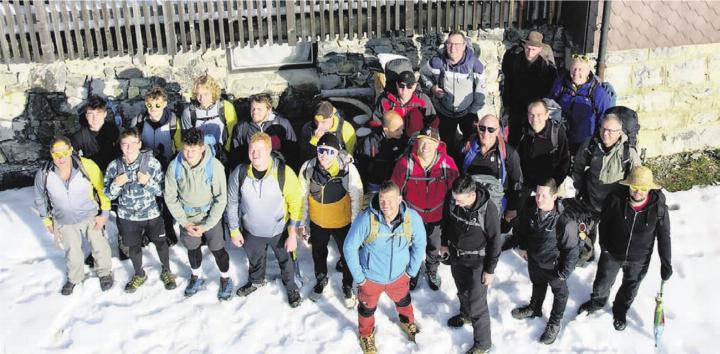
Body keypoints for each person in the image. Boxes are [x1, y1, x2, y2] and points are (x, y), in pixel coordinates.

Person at [577, 166, 672, 331]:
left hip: (639, 258)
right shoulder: (615, 199)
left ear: (649, 188)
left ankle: (620, 310)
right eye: (634, 188)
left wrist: (666, 263)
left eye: (643, 189)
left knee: (631, 287)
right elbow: (604, 224)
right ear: (628, 186)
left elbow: (664, 237)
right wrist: (605, 247)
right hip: (612, 253)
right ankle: (597, 302)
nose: (638, 193)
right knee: (602, 283)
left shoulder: (659, 208)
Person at [344, 181, 427, 353]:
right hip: (371, 279)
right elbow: (349, 247)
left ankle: (407, 323)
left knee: (404, 302)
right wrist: (360, 278)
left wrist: (410, 272)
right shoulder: (366, 219)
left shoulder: (412, 219)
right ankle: (366, 335)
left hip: (399, 276)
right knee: (366, 310)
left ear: (399, 199)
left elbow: (420, 245)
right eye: (382, 199)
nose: (385, 205)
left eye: (389, 200)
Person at [226, 132, 303, 308]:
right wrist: (234, 229)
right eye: (252, 149)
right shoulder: (239, 173)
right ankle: (256, 280)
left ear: (269, 150)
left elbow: (296, 203)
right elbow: (231, 203)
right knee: (255, 259)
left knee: (286, 261)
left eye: (260, 149)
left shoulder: (284, 172)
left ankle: (291, 286)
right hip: (252, 229)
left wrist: (292, 234)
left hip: (279, 230)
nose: (255, 154)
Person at [34, 136, 113, 295]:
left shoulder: (86, 166)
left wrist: (104, 213)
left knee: (99, 247)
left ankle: (104, 273)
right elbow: (39, 197)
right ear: (51, 154)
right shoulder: (44, 173)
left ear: (71, 150)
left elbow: (102, 189)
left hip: (90, 215)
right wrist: (46, 219)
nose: (61, 157)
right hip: (64, 220)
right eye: (56, 154)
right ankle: (74, 277)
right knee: (72, 252)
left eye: (65, 152)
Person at [104, 128, 176, 292]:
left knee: (160, 242)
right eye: (125, 144)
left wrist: (147, 182)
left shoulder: (152, 163)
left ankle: (167, 270)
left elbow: (163, 190)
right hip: (127, 217)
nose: (129, 147)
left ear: (140, 144)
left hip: (151, 214)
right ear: (120, 146)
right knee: (133, 246)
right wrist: (117, 183)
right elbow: (107, 194)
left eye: (133, 143)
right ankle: (139, 273)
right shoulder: (114, 166)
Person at [164, 128, 232, 299]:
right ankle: (196, 276)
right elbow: (170, 197)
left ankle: (225, 278)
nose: (188, 154)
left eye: (193, 150)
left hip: (210, 216)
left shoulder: (214, 166)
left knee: (217, 249)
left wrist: (207, 225)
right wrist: (184, 222)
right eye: (185, 149)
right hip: (187, 218)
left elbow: (221, 198)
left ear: (202, 148)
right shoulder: (175, 166)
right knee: (192, 248)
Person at [511, 178, 580, 345]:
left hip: (555, 266)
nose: (538, 199)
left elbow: (572, 250)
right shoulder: (530, 206)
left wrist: (564, 273)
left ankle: (555, 323)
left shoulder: (564, 222)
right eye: (537, 194)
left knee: (560, 294)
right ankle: (535, 308)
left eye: (543, 196)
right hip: (535, 259)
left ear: (554, 196)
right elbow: (522, 227)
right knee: (537, 283)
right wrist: (523, 245)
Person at [298, 133, 363, 307]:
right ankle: (321, 280)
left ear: (337, 152)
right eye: (321, 150)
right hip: (319, 222)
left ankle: (348, 286)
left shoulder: (347, 169)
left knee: (347, 255)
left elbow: (357, 196)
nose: (324, 155)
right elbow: (302, 197)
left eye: (329, 151)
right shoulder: (308, 168)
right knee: (318, 253)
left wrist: (355, 222)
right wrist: (302, 223)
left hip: (343, 222)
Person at [391, 127, 459, 290]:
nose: (426, 146)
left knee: (433, 245)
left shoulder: (446, 164)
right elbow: (394, 190)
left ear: (437, 144)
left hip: (436, 217)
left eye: (431, 142)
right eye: (423, 141)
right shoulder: (405, 163)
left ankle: (432, 270)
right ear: (417, 142)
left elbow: (456, 190)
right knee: (412, 245)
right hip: (412, 217)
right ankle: (412, 272)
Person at [441, 175, 502, 354]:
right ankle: (465, 315)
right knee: (462, 291)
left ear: (472, 195)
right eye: (454, 199)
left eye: (460, 200)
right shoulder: (452, 200)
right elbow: (446, 221)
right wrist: (444, 243)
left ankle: (483, 344)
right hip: (457, 256)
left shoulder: (487, 210)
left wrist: (490, 270)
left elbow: (495, 241)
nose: (456, 203)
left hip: (478, 262)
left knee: (478, 303)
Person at [568, 113, 640, 264]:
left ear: (619, 132)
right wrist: (580, 189)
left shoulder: (628, 154)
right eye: (603, 129)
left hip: (614, 206)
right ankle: (586, 257)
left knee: (612, 236)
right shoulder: (590, 145)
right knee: (584, 231)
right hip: (591, 200)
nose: (605, 133)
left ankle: (609, 261)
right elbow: (578, 168)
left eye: (610, 131)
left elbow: (637, 179)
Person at [420, 30, 485, 163]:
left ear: (464, 46)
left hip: (467, 112)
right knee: (446, 145)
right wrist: (432, 88)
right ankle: (450, 171)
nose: (452, 48)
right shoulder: (437, 61)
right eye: (449, 43)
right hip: (444, 112)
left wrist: (473, 111)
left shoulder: (474, 64)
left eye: (456, 44)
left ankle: (467, 170)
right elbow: (423, 74)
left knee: (472, 143)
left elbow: (481, 91)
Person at [129, 86, 180, 245]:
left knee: (166, 196)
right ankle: (146, 229)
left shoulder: (172, 121)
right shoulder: (139, 121)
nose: (153, 109)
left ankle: (168, 226)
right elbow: (131, 144)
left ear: (164, 104)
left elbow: (178, 145)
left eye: (157, 105)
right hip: (145, 165)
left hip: (167, 163)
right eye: (149, 105)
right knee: (147, 197)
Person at [460, 114, 523, 225]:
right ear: (477, 127)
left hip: (494, 205)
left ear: (498, 131)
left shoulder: (508, 153)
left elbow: (516, 182)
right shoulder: (467, 147)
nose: (485, 133)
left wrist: (512, 208)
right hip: (468, 205)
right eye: (482, 128)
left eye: (491, 130)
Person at [501, 31, 557, 147]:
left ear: (540, 50)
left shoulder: (546, 68)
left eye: (534, 49)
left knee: (532, 140)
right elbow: (508, 83)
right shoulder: (514, 61)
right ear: (524, 46)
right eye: (528, 48)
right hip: (516, 107)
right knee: (514, 139)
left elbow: (549, 90)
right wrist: (506, 105)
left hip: (535, 111)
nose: (530, 52)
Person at [548, 54, 611, 155]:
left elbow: (605, 119)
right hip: (560, 139)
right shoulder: (560, 85)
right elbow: (549, 105)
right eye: (573, 69)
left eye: (580, 69)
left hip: (584, 144)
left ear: (588, 71)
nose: (576, 73)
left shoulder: (598, 93)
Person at [516, 100, 570, 211]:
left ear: (546, 115)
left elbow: (565, 162)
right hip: (526, 184)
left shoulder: (557, 133)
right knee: (522, 215)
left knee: (546, 218)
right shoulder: (522, 131)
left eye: (539, 115)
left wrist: (553, 185)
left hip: (547, 188)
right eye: (531, 115)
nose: (535, 119)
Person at [229, 92, 299, 170]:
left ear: (269, 110)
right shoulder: (242, 128)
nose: (254, 112)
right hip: (251, 172)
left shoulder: (282, 124)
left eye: (259, 109)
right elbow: (235, 156)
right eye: (253, 108)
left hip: (277, 171)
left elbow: (293, 152)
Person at [180, 75, 238, 165]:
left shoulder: (225, 107)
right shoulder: (189, 112)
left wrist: (226, 152)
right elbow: (186, 139)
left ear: (213, 92)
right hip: (199, 156)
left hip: (221, 154)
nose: (202, 98)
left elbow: (233, 132)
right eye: (199, 94)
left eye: (206, 94)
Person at [372, 70, 438, 138]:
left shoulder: (422, 100)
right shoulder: (386, 101)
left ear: (415, 86)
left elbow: (433, 120)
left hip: (416, 138)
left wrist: (428, 136)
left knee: (414, 114)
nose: (405, 90)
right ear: (397, 85)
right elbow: (377, 120)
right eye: (401, 85)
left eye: (409, 86)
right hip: (393, 137)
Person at [355, 111, 408, 194]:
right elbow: (361, 165)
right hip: (374, 182)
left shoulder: (403, 140)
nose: (401, 132)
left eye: (402, 128)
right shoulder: (369, 142)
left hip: (393, 182)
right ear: (386, 130)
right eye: (397, 130)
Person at [71, 94, 120, 172]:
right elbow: (70, 157)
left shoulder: (112, 129)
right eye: (91, 114)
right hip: (91, 173)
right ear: (86, 116)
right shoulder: (80, 136)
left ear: (105, 114)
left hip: (111, 171)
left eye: (98, 113)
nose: (95, 118)